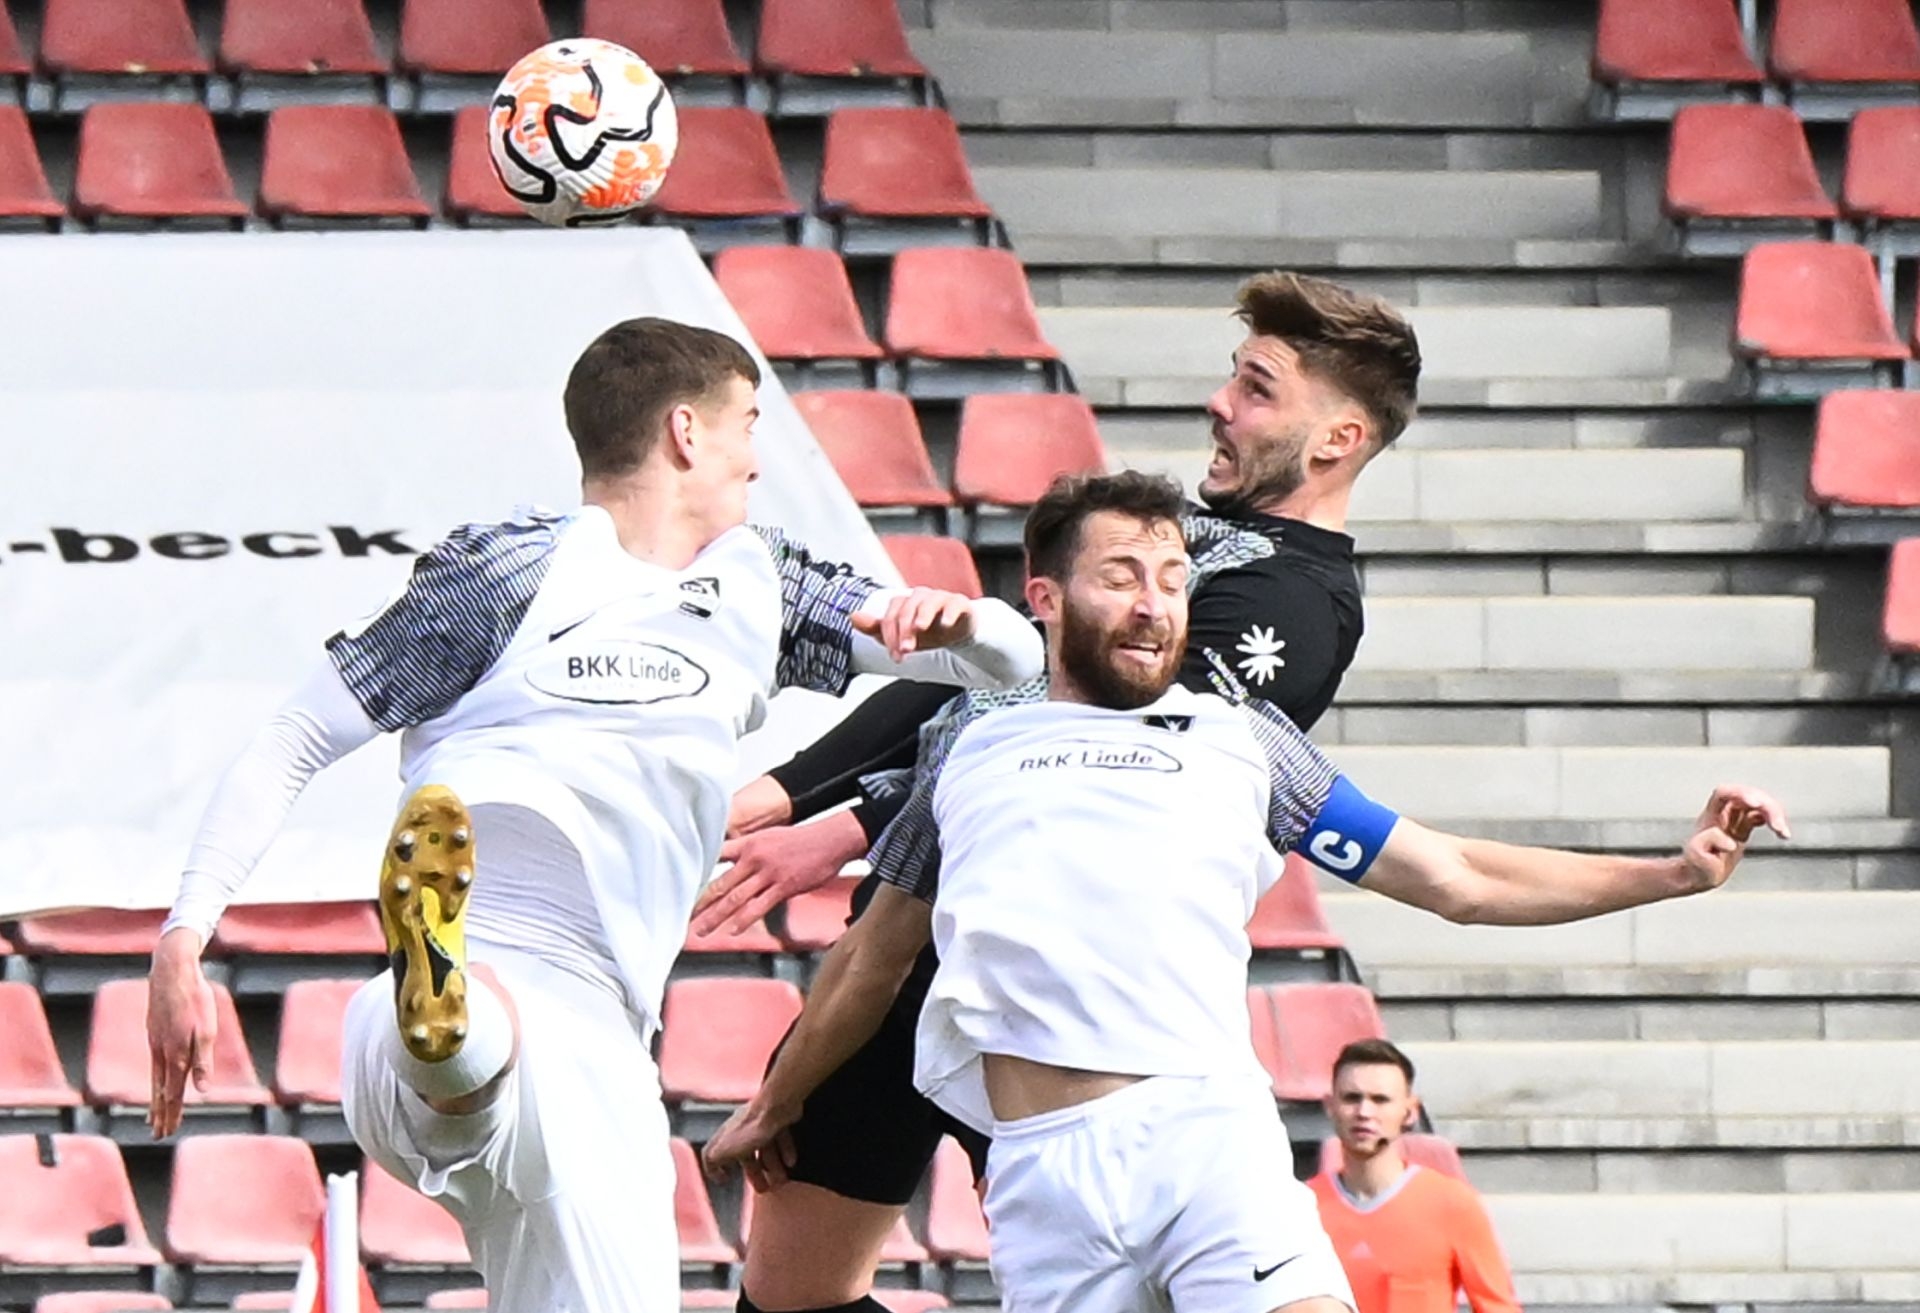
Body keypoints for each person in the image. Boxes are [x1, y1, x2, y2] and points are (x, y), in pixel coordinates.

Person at [704, 470, 1787, 1313]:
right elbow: (873, 956)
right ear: (1044, 595)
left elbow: (1449, 874)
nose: (1153, 604)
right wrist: (780, 1093)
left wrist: (1670, 872)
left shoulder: (1243, 741)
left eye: (1174, 578)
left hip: (1205, 1137)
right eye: (1121, 575)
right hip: (1046, 1175)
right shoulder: (966, 740)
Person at [143, 317, 1044, 1313]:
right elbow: (1013, 665)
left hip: (484, 1042)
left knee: (476, 1094)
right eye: (749, 421)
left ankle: (447, 1022)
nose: (759, 453)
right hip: (566, 1031)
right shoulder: (527, 570)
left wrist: (188, 933)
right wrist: (984, 637)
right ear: (687, 432)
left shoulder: (750, 586)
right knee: (500, 1056)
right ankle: (458, 1020)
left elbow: (1015, 661)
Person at [695, 272, 1422, 1313]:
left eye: (1257, 389)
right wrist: (789, 786)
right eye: (1234, 376)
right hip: (906, 977)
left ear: (1336, 442)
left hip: (1052, 1013)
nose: (1221, 403)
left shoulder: (1291, 607)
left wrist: (849, 821)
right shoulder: (1168, 540)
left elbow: (1064, 731)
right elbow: (994, 666)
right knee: (788, 1294)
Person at [1310, 1040, 1520, 1313]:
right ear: (1330, 1106)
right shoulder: (1300, 1209)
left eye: (1380, 1099)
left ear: (1409, 1112)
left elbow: (1497, 1307)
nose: (1364, 1112)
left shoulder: (1451, 1204)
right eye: (1352, 1098)